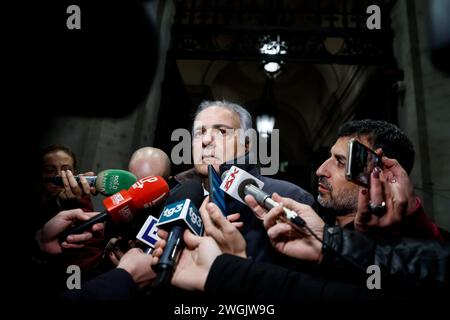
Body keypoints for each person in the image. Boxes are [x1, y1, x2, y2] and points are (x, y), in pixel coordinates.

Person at [173, 100, 315, 265]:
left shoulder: (289, 199)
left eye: (221, 131)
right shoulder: (173, 196)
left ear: (247, 145)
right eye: (199, 132)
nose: (206, 140)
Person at [312, 119, 443, 240]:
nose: (320, 170)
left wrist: (414, 217)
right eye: (330, 157)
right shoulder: (310, 220)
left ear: (383, 175)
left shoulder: (409, 246)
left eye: (341, 162)